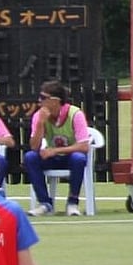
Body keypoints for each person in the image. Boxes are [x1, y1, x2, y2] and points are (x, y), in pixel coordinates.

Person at [23, 79, 92, 217]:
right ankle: (45, 204)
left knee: (79, 159)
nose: (39, 101)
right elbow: (34, 146)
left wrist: (55, 150)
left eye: (43, 98)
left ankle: (72, 203)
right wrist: (40, 124)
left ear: (55, 100)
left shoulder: (75, 114)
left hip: (69, 156)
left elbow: (84, 146)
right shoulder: (39, 116)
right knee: (30, 157)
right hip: (51, 157)